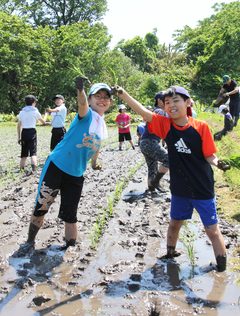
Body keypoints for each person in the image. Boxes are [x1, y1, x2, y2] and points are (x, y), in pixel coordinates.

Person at [112, 84, 230, 271]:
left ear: (187, 102)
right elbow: (143, 111)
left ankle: (221, 267)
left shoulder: (201, 127)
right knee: (175, 223)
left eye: (176, 101)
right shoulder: (166, 126)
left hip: (202, 187)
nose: (171, 105)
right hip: (180, 187)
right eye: (167, 102)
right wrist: (123, 94)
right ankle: (170, 253)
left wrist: (219, 163)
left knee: (212, 230)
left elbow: (209, 154)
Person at [24, 78, 112, 250]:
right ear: (91, 99)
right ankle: (29, 242)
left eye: (106, 97)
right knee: (42, 206)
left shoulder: (101, 125)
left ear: (110, 102)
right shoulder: (86, 116)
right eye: (97, 96)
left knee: (70, 215)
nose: (102, 100)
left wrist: (94, 163)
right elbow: (82, 103)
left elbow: (96, 146)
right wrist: (81, 89)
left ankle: (70, 249)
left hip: (76, 173)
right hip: (56, 166)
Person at [140, 92, 169, 193]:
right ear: (159, 101)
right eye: (165, 100)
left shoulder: (157, 111)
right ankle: (156, 181)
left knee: (152, 166)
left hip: (144, 142)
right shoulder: (160, 111)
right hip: (150, 142)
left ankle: (151, 188)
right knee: (169, 159)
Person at [17, 95, 48, 171]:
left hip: (24, 132)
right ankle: (34, 168)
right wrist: (46, 114)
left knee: (24, 152)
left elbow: (18, 126)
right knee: (33, 152)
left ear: (25, 102)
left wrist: (19, 137)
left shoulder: (22, 112)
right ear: (34, 102)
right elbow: (43, 121)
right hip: (32, 132)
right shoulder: (35, 111)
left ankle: (22, 169)